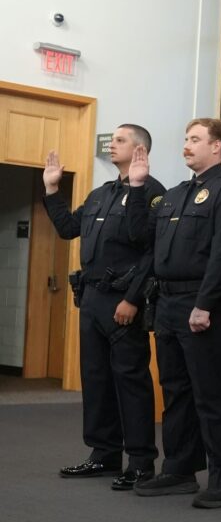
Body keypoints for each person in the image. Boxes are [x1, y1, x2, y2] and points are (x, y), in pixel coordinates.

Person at [127, 118, 221, 508]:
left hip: (203, 302)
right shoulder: (174, 195)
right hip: (166, 303)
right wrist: (136, 186)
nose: (186, 145)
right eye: (185, 139)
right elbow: (140, 239)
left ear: (217, 147)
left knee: (211, 393)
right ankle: (179, 469)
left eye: (195, 139)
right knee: (176, 390)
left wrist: (204, 304)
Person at [43, 125, 163, 490]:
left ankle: (141, 461)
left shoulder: (153, 193)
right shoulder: (101, 194)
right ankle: (104, 454)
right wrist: (51, 189)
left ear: (140, 149)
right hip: (93, 298)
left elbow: (151, 251)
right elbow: (68, 229)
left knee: (130, 379)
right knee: (95, 378)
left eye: (121, 140)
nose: (112, 144)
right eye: (112, 139)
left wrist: (132, 299)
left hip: (124, 299)